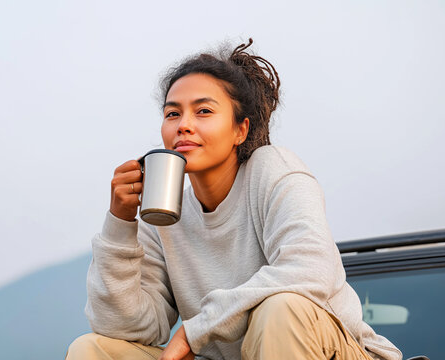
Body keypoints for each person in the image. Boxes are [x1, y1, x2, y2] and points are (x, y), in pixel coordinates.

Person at [66, 38, 402, 360]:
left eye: (203, 111)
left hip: (331, 350)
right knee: (93, 349)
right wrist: (120, 224)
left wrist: (197, 329)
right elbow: (127, 327)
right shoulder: (165, 215)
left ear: (240, 130)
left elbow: (310, 270)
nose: (183, 125)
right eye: (172, 114)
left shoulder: (274, 170)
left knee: (281, 307)